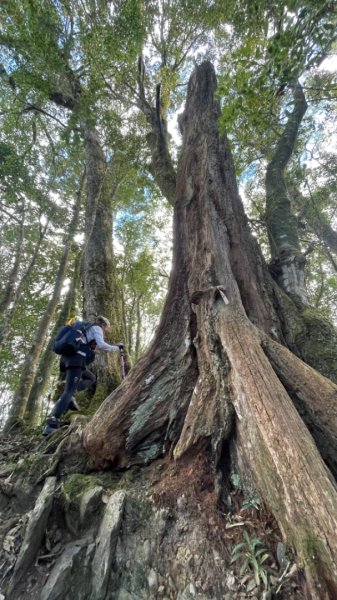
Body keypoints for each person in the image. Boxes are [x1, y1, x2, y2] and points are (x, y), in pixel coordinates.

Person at [42, 316, 123, 436]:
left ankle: (71, 396)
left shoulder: (85, 328)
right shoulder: (96, 328)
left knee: (91, 378)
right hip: (76, 359)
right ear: (103, 325)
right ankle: (52, 423)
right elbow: (101, 344)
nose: (106, 330)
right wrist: (117, 347)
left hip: (69, 359)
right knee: (68, 392)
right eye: (106, 327)